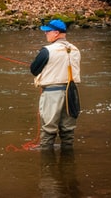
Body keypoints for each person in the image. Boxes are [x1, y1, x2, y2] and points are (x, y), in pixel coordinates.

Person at [30, 19, 81, 151]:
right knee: (68, 130)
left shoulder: (47, 50)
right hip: (72, 93)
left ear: (56, 33)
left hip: (52, 93)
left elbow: (34, 70)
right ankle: (68, 164)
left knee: (48, 129)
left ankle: (47, 166)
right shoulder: (75, 49)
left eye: (47, 31)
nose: (46, 34)